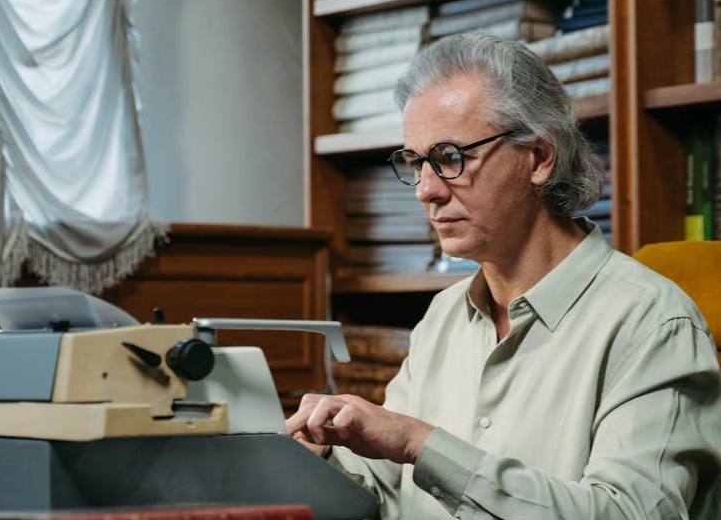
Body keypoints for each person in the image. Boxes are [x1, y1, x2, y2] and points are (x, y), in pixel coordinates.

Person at [285, 32, 721, 519]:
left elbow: (631, 514)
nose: (425, 190)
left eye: (449, 158)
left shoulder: (652, 323)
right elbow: (391, 494)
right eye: (415, 163)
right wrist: (316, 464)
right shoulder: (444, 315)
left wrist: (421, 444)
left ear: (539, 158)